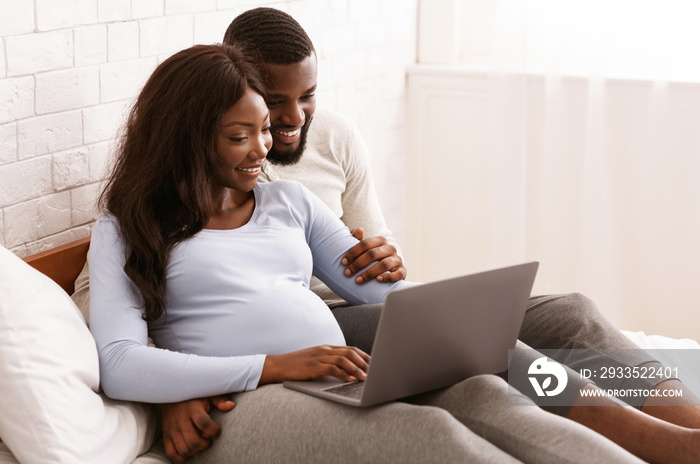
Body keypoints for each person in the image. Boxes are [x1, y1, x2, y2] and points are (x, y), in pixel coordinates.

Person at [89, 43, 700, 464]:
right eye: (239, 135)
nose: (262, 147)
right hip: (243, 402)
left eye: (264, 130)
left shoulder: (290, 202)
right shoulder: (128, 225)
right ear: (187, 136)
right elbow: (117, 359)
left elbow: (385, 299)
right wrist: (275, 364)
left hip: (340, 370)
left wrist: (458, 320)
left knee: (486, 392)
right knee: (430, 434)